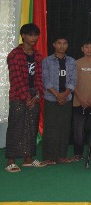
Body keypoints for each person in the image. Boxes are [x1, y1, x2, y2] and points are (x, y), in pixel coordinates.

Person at [5, 23, 47, 172]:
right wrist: (27, 97)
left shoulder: (38, 56)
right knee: (16, 127)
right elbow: (16, 79)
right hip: (18, 96)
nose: (34, 38)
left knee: (32, 127)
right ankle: (11, 160)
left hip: (34, 96)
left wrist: (37, 96)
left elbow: (40, 78)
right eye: (30, 35)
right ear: (23, 36)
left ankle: (28, 159)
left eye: (36, 35)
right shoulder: (14, 55)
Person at [42, 36, 77, 164]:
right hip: (51, 98)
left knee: (64, 127)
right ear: (54, 44)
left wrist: (65, 94)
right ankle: (49, 156)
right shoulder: (46, 61)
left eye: (65, 43)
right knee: (51, 128)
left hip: (66, 99)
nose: (62, 46)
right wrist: (57, 95)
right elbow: (45, 80)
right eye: (59, 43)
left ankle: (61, 155)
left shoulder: (72, 61)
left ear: (67, 45)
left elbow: (73, 80)